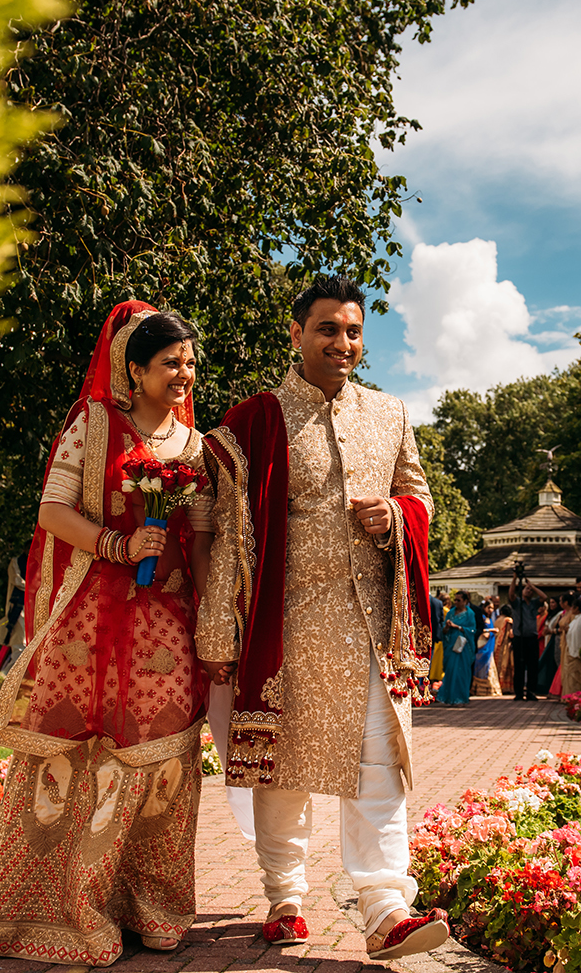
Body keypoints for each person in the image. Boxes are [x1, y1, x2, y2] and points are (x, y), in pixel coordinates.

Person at [196, 276, 448, 961]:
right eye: (329, 330)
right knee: (284, 773)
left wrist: (395, 517)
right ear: (297, 334)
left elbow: (418, 496)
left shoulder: (390, 413)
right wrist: (217, 634)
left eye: (355, 332)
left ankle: (385, 906)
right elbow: (226, 533)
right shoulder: (255, 419)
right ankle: (283, 894)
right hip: (286, 628)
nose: (344, 344)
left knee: (379, 765)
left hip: (371, 629)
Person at [0, 303, 213, 966]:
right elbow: (52, 511)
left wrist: (211, 607)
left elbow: (203, 536)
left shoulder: (193, 446)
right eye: (170, 363)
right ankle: (60, 912)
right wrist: (118, 544)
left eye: (190, 362)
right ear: (135, 369)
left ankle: (148, 907)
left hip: (166, 627)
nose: (183, 373)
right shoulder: (96, 425)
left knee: (160, 761)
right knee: (74, 759)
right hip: (92, 623)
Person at [509, 571, 545, 700]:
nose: (529, 591)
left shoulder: (534, 604)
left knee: (532, 666)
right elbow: (511, 594)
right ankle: (519, 692)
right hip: (520, 637)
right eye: (527, 589)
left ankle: (531, 691)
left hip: (532, 638)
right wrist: (514, 579)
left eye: (530, 590)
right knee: (519, 665)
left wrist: (532, 586)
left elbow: (544, 597)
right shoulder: (518, 603)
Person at [436, 591, 476, 705]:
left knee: (461, 672)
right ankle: (448, 697)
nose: (456, 602)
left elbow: (472, 630)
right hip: (451, 645)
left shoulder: (470, 614)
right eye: (455, 600)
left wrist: (458, 627)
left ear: (465, 601)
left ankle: (461, 697)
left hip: (463, 647)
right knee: (450, 670)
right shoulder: (451, 613)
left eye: (459, 600)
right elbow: (444, 630)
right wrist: (447, 627)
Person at [560, 592, 581, 696]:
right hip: (572, 653)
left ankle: (576, 699)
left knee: (576, 681)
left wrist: (580, 653)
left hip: (577, 654)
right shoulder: (576, 621)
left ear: (577, 608)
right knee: (572, 680)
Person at [471, 596, 502, 697]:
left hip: (490, 645)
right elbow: (480, 629)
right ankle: (479, 689)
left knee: (489, 666)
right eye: (489, 608)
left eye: (492, 608)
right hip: (483, 646)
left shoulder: (490, 619)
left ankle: (490, 690)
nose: (491, 610)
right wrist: (491, 630)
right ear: (484, 608)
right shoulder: (482, 618)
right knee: (482, 666)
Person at [494, 607, 515, 694]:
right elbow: (511, 634)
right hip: (505, 645)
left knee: (498, 665)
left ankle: (498, 685)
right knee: (506, 665)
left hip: (496, 644)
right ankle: (506, 687)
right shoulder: (508, 620)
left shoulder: (497, 620)